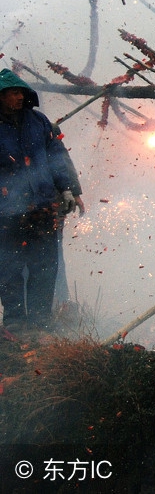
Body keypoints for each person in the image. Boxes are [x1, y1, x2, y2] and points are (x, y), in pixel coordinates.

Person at [0, 68, 84, 333]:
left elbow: (57, 156)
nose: (19, 98)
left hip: (42, 208)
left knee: (45, 266)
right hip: (6, 213)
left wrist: (70, 190)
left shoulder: (39, 122)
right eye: (13, 93)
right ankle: (15, 322)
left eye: (21, 93)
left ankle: (39, 321)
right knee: (8, 269)